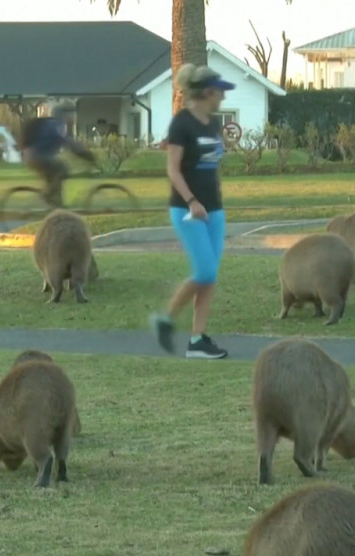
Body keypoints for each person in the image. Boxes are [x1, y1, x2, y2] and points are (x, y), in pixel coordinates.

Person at [148, 63, 236, 360]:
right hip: (187, 209)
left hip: (214, 209)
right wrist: (192, 201)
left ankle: (197, 340)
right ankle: (166, 319)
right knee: (205, 270)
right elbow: (173, 170)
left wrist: (211, 201)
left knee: (209, 276)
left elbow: (210, 167)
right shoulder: (181, 124)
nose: (222, 97)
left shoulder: (212, 124)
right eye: (219, 91)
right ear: (208, 91)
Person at [19, 101, 97, 208]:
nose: (73, 117)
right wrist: (87, 156)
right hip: (36, 156)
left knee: (56, 178)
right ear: (65, 114)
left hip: (34, 155)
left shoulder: (54, 124)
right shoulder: (56, 125)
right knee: (62, 170)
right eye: (72, 114)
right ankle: (46, 196)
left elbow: (68, 143)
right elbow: (68, 143)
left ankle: (57, 206)